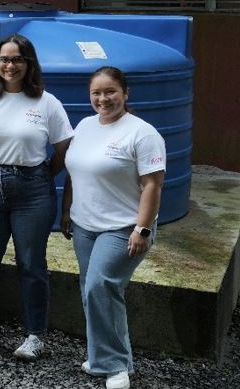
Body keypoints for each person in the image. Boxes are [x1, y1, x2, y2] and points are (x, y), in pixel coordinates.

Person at [0, 34, 73, 361]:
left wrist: (45, 175)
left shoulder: (46, 103)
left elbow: (64, 149)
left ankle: (34, 335)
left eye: (17, 59)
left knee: (31, 264)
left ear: (28, 63)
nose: (10, 65)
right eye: (4, 59)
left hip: (32, 192)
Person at [62, 67, 165, 389]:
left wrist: (143, 229)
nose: (103, 99)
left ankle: (116, 365)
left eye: (110, 92)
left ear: (125, 93)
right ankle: (102, 357)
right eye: (97, 93)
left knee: (100, 287)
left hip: (123, 227)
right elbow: (74, 171)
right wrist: (66, 210)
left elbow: (153, 185)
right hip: (84, 224)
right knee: (94, 291)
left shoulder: (142, 133)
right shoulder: (85, 125)